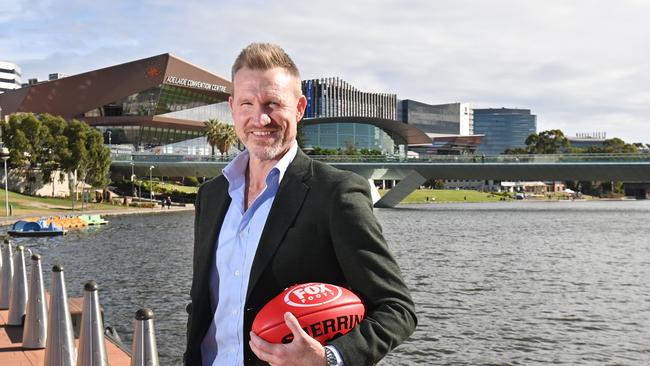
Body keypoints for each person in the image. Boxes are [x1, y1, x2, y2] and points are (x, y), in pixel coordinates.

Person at [184, 43, 416, 366]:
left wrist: (329, 358)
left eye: (273, 104)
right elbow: (205, 307)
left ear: (300, 108)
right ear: (233, 107)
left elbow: (396, 309)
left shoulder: (336, 194)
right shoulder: (211, 196)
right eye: (247, 103)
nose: (259, 118)